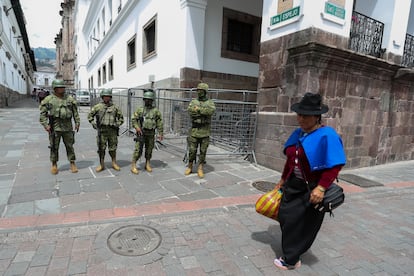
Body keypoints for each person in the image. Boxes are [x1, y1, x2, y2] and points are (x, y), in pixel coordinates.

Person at [273, 92, 346, 270]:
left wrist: (321, 188)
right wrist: (282, 180)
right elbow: (290, 160)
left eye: (305, 116)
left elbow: (334, 165)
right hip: (293, 185)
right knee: (285, 217)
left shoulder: (327, 135)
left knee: (304, 224)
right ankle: (295, 248)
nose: (301, 119)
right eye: (299, 114)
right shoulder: (298, 133)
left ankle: (290, 259)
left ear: (316, 116)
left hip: (312, 189)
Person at [39, 79, 80, 174]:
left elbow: (75, 112)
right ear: (55, 88)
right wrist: (46, 125)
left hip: (68, 127)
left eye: (63, 87)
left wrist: (77, 123)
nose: (62, 89)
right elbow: (42, 114)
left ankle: (72, 163)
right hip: (55, 127)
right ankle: (54, 164)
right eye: (60, 87)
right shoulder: (48, 100)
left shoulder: (69, 99)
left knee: (70, 146)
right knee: (54, 146)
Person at [88, 88, 124, 172]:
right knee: (101, 148)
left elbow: (121, 119)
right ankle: (102, 164)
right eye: (105, 96)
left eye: (108, 96)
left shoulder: (115, 107)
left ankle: (114, 162)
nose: (107, 98)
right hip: (102, 131)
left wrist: (117, 124)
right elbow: (90, 116)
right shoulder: (97, 107)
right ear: (102, 97)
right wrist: (93, 124)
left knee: (113, 148)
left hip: (112, 131)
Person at [184, 82, 216, 178]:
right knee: (192, 150)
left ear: (205, 91)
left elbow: (210, 111)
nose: (199, 92)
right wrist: (202, 112)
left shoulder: (210, 102)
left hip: (205, 131)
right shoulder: (194, 102)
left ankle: (200, 168)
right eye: (198, 90)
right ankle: (190, 166)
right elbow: (190, 112)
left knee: (203, 151)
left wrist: (198, 110)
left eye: (201, 91)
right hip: (194, 130)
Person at [130, 89, 163, 174]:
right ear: (144, 100)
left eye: (150, 100)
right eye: (146, 99)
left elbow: (159, 122)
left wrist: (160, 133)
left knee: (149, 149)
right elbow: (133, 119)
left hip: (151, 133)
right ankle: (133, 165)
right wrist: (137, 127)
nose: (148, 101)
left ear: (152, 101)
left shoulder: (155, 111)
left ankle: (147, 163)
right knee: (138, 150)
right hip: (141, 133)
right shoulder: (140, 110)